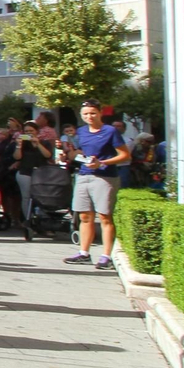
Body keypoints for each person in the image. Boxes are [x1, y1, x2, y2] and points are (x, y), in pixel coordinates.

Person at [65, 99, 130, 269]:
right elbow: (78, 153)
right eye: (86, 114)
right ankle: (84, 253)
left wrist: (102, 163)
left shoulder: (110, 131)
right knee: (84, 216)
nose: (89, 116)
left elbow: (125, 155)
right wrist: (70, 153)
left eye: (93, 113)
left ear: (100, 113)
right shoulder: (81, 131)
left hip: (105, 177)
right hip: (84, 175)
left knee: (104, 217)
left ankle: (106, 256)